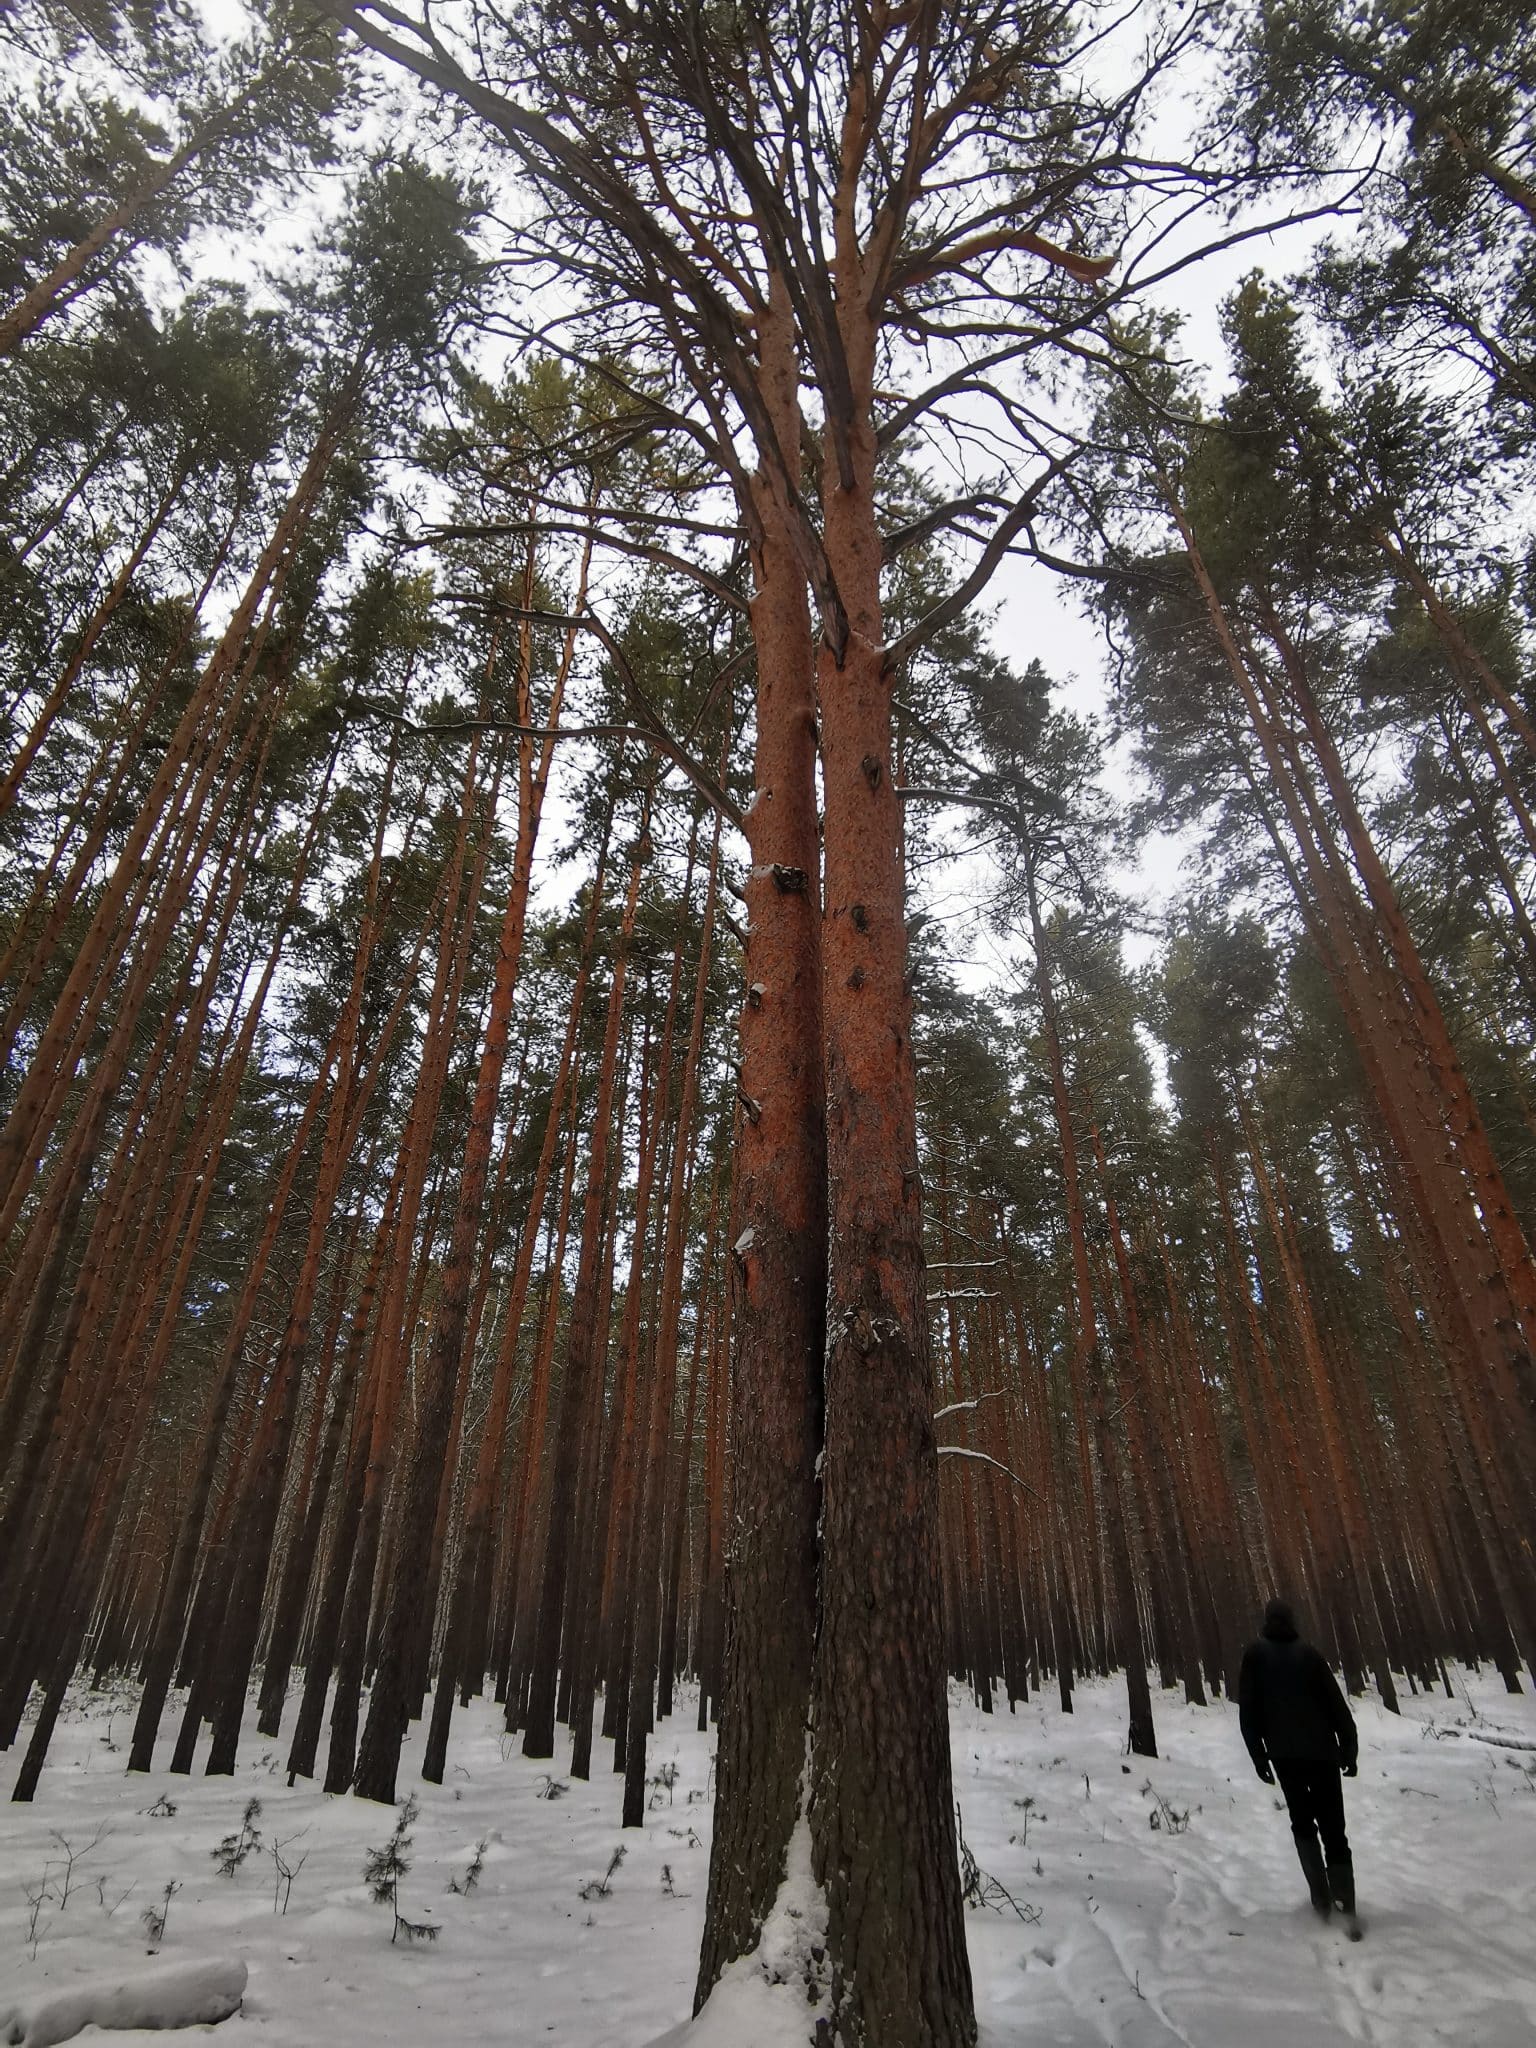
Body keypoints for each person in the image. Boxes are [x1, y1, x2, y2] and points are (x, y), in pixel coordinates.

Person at [1239, 1597, 1359, 1925]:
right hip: (1322, 1752)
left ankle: (1321, 1899)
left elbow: (1248, 1710)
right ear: (1292, 1621)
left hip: (1284, 1755)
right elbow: (1336, 1704)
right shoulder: (1309, 1654)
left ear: (1266, 1621)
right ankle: (1344, 1902)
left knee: (1303, 1823)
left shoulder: (1255, 1655)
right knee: (1335, 1828)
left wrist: (1258, 1754)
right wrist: (1349, 1746)